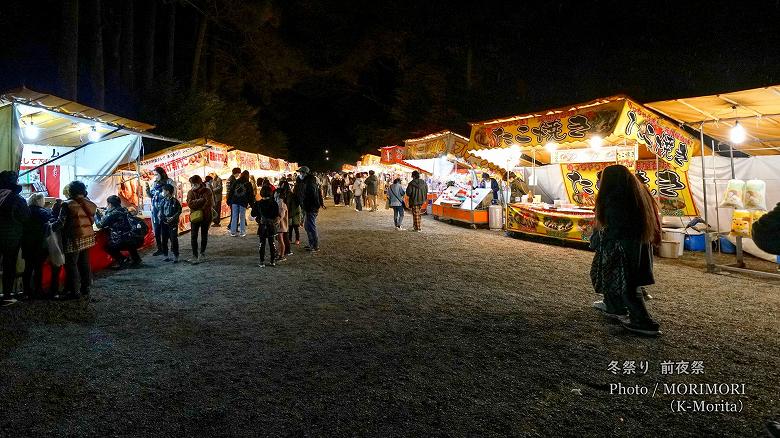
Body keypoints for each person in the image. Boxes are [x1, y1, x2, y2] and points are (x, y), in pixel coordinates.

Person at [591, 164, 661, 336]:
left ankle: (643, 322)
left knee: (626, 285)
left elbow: (614, 228)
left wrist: (599, 238)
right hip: (636, 246)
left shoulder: (616, 198)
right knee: (629, 284)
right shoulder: (636, 195)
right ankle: (620, 309)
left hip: (621, 248)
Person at [52, 180, 97, 299]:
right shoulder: (89, 202)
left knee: (71, 265)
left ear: (71, 191)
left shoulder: (68, 204)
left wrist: (50, 226)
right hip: (87, 237)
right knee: (84, 263)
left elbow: (61, 223)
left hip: (74, 237)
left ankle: (74, 291)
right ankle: (85, 288)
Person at [95, 195, 142, 269]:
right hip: (135, 238)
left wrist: (96, 215)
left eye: (107, 204)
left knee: (107, 247)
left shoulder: (113, 213)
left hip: (123, 240)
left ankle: (123, 260)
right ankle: (136, 259)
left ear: (110, 204)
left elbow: (100, 225)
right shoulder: (124, 210)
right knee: (128, 239)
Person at [21, 193, 52, 299]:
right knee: (38, 268)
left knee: (28, 267)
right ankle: (38, 290)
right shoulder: (43, 212)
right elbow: (52, 221)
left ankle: (26, 291)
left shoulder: (25, 211)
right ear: (40, 201)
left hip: (26, 243)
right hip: (39, 244)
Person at [145, 167, 175, 256]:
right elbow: (151, 195)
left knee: (167, 229)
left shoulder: (169, 181)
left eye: (157, 174)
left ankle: (173, 245)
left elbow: (172, 194)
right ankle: (159, 248)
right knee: (157, 230)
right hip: (155, 210)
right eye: (154, 175)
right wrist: (147, 189)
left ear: (161, 174)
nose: (155, 176)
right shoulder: (154, 183)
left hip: (165, 209)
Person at [186, 175, 214, 264]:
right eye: (192, 184)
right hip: (195, 216)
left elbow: (209, 203)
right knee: (193, 236)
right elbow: (190, 204)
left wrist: (198, 204)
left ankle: (202, 252)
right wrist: (201, 200)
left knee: (204, 235)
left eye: (195, 184)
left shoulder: (207, 191)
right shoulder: (190, 192)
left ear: (199, 183)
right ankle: (195, 255)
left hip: (206, 216)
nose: (193, 186)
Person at [251, 185, 280, 267]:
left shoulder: (258, 203)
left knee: (262, 244)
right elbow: (276, 215)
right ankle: (272, 261)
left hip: (262, 225)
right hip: (271, 225)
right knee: (272, 243)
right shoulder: (274, 203)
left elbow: (253, 214)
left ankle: (261, 261)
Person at [298, 166, 325, 251]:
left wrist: (306, 203)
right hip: (310, 207)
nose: (300, 174)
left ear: (305, 173)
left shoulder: (309, 183)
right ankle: (311, 244)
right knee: (307, 226)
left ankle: (315, 246)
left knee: (311, 227)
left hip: (311, 207)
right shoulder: (308, 181)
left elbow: (312, 196)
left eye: (301, 172)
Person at [157, 184, 182, 263]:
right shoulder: (162, 201)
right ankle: (165, 255)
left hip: (173, 224)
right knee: (164, 239)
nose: (162, 192)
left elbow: (179, 211)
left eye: (163, 190)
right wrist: (162, 218)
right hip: (164, 223)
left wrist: (173, 218)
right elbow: (160, 211)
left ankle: (176, 255)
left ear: (167, 191)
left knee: (173, 239)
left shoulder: (175, 201)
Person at [228, 171, 253, 237]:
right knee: (242, 217)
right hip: (243, 201)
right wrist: (252, 203)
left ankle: (233, 232)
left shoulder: (236, 181)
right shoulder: (248, 183)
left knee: (234, 216)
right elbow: (250, 195)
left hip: (234, 201)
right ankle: (242, 232)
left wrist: (229, 200)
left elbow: (231, 191)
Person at [275, 181, 292, 259]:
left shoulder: (281, 203)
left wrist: (277, 221)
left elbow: (281, 215)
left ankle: (281, 255)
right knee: (279, 240)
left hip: (281, 225)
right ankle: (280, 253)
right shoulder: (279, 202)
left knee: (281, 240)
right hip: (281, 225)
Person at [286, 180, 303, 246]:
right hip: (293, 215)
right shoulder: (291, 196)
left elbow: (296, 208)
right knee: (291, 229)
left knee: (295, 229)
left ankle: (296, 239)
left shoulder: (295, 197)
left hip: (294, 215)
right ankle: (291, 239)